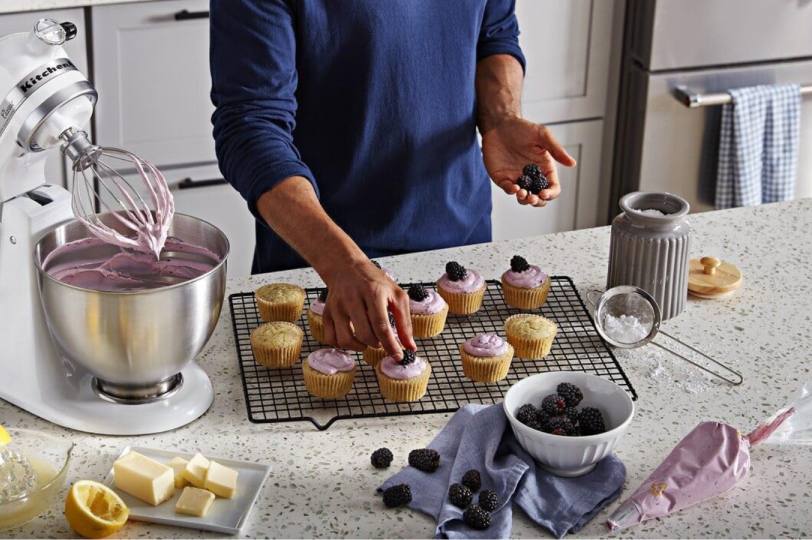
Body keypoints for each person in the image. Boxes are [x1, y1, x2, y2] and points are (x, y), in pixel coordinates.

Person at [209, 1, 576, 362]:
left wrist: (500, 117)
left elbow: (494, 32)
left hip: (459, 248)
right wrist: (342, 265)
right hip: (323, 270)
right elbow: (250, 127)